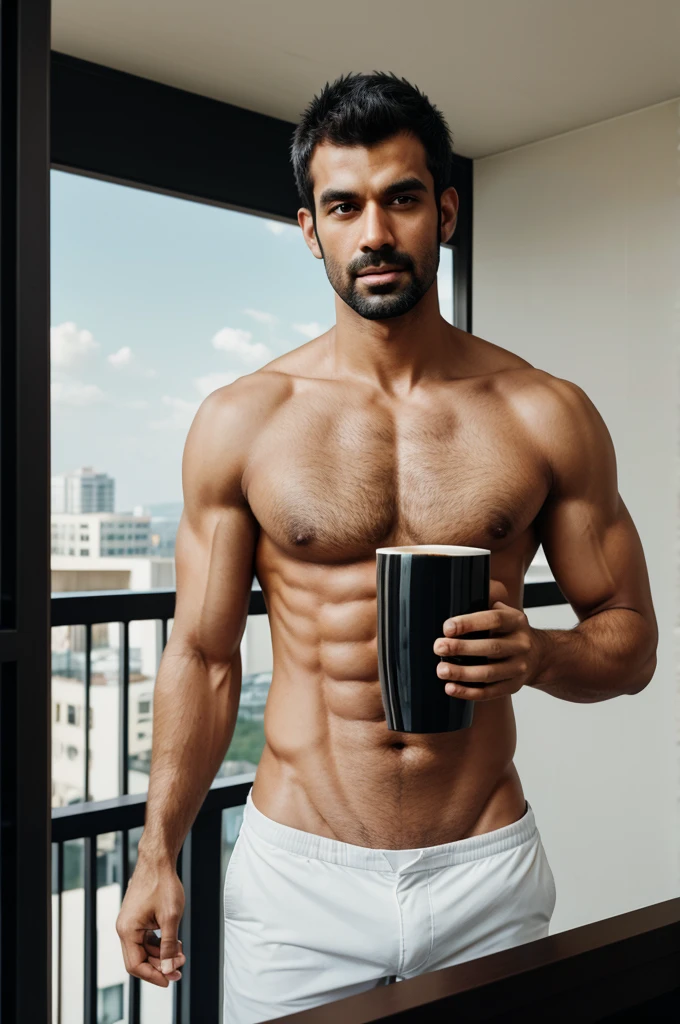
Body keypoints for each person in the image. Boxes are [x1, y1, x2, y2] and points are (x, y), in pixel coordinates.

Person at [116, 72, 658, 1023]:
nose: (374, 232)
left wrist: (541, 652)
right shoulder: (243, 421)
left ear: (444, 212)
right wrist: (158, 850)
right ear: (310, 228)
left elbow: (632, 642)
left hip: (483, 871)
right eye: (344, 205)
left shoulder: (545, 414)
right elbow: (201, 659)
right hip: (299, 880)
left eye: (402, 198)